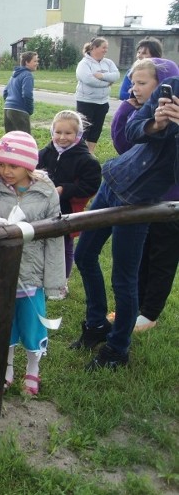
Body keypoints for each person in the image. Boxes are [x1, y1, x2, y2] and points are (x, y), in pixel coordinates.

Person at [70, 74, 179, 371]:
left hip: (139, 202)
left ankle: (118, 348)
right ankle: (95, 325)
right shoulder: (174, 84)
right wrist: (156, 123)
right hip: (113, 181)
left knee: (124, 277)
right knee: (84, 254)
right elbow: (132, 130)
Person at [0, 131, 64, 396]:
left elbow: (55, 239)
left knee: (32, 325)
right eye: (1, 164)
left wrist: (54, 282)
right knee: (3, 322)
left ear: (29, 165)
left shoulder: (46, 194)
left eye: (13, 165)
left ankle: (33, 369)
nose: (6, 171)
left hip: (31, 274)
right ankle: (6, 368)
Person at [109, 57, 179, 332]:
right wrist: (153, 123)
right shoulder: (157, 101)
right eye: (133, 82)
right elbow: (127, 135)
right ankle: (137, 306)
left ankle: (150, 313)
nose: (135, 88)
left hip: (173, 199)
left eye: (141, 83)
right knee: (143, 252)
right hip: (149, 192)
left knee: (163, 255)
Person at [37, 110, 101, 292]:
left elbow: (91, 186)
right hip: (43, 207)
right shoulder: (45, 153)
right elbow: (32, 171)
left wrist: (64, 189)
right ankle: (41, 276)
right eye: (58, 132)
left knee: (63, 246)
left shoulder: (86, 160)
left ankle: (60, 282)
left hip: (67, 210)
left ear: (78, 134)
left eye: (68, 133)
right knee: (42, 242)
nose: (62, 137)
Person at [74, 37, 120, 153]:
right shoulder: (84, 63)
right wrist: (107, 83)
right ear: (94, 48)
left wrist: (102, 76)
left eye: (106, 48)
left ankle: (90, 153)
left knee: (97, 129)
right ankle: (80, 152)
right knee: (84, 128)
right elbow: (88, 80)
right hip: (86, 101)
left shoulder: (108, 63)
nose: (106, 50)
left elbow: (116, 75)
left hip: (102, 102)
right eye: (103, 47)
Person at [2, 51, 39, 133]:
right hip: (19, 110)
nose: (37, 63)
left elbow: (5, 92)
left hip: (7, 109)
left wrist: (10, 103)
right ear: (27, 62)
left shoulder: (14, 74)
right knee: (25, 140)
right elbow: (27, 94)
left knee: (10, 140)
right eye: (35, 61)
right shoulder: (27, 75)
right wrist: (29, 109)